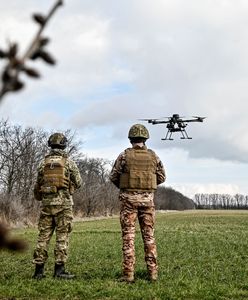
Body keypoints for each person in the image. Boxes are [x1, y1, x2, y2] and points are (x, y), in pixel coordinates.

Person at [109, 124, 166, 283]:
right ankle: (153, 274)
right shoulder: (154, 156)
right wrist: (146, 189)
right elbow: (161, 177)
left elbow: (113, 176)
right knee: (149, 236)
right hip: (148, 202)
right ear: (145, 138)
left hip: (128, 202)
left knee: (128, 237)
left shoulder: (124, 156)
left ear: (130, 139)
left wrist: (126, 188)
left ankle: (128, 274)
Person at [32, 133, 82, 279]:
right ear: (64, 144)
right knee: (62, 237)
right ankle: (59, 271)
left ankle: (38, 272)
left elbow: (38, 184)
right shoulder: (69, 162)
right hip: (64, 206)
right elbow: (79, 182)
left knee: (43, 237)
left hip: (46, 205)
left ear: (50, 144)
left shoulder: (42, 163)